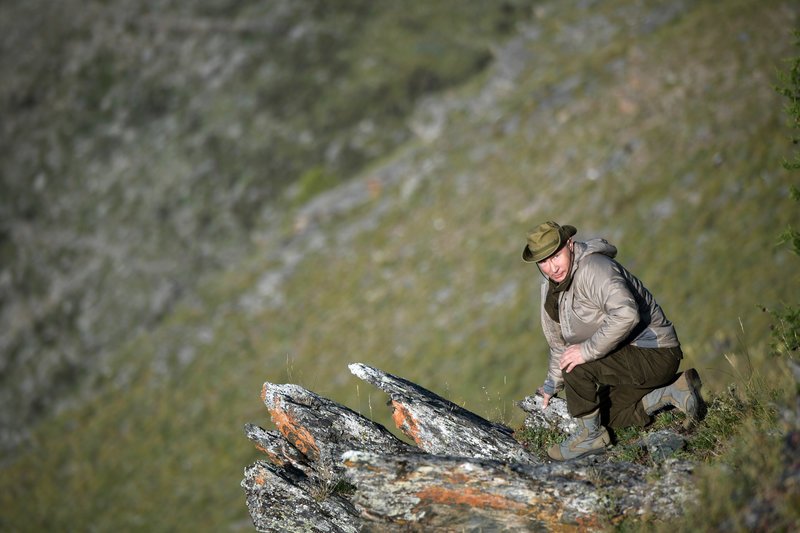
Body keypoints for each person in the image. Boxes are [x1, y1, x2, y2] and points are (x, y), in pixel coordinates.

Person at [522, 221, 704, 461]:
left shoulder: (594, 268)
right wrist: (550, 386)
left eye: (556, 255)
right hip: (625, 359)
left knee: (578, 364)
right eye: (543, 261)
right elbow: (560, 345)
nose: (551, 267)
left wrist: (586, 352)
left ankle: (590, 439)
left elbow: (627, 314)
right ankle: (675, 392)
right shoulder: (550, 291)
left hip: (654, 352)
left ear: (570, 244)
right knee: (605, 416)